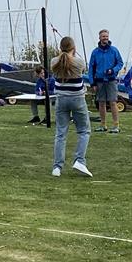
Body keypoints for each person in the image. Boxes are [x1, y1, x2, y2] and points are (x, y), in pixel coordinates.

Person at [50, 36, 92, 177]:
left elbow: (62, 61)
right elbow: (81, 69)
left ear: (60, 48)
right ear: (73, 48)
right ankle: (80, 160)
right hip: (77, 99)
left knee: (61, 134)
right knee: (84, 131)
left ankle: (57, 167)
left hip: (61, 99)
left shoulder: (54, 62)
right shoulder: (79, 62)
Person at [88, 29, 123, 133]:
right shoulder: (95, 52)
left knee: (113, 102)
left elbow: (120, 63)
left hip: (111, 80)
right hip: (99, 81)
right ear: (99, 38)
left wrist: (113, 70)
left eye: (106, 36)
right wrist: (92, 82)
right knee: (101, 103)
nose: (105, 38)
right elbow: (91, 68)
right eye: (103, 36)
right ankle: (103, 125)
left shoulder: (114, 50)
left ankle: (116, 126)